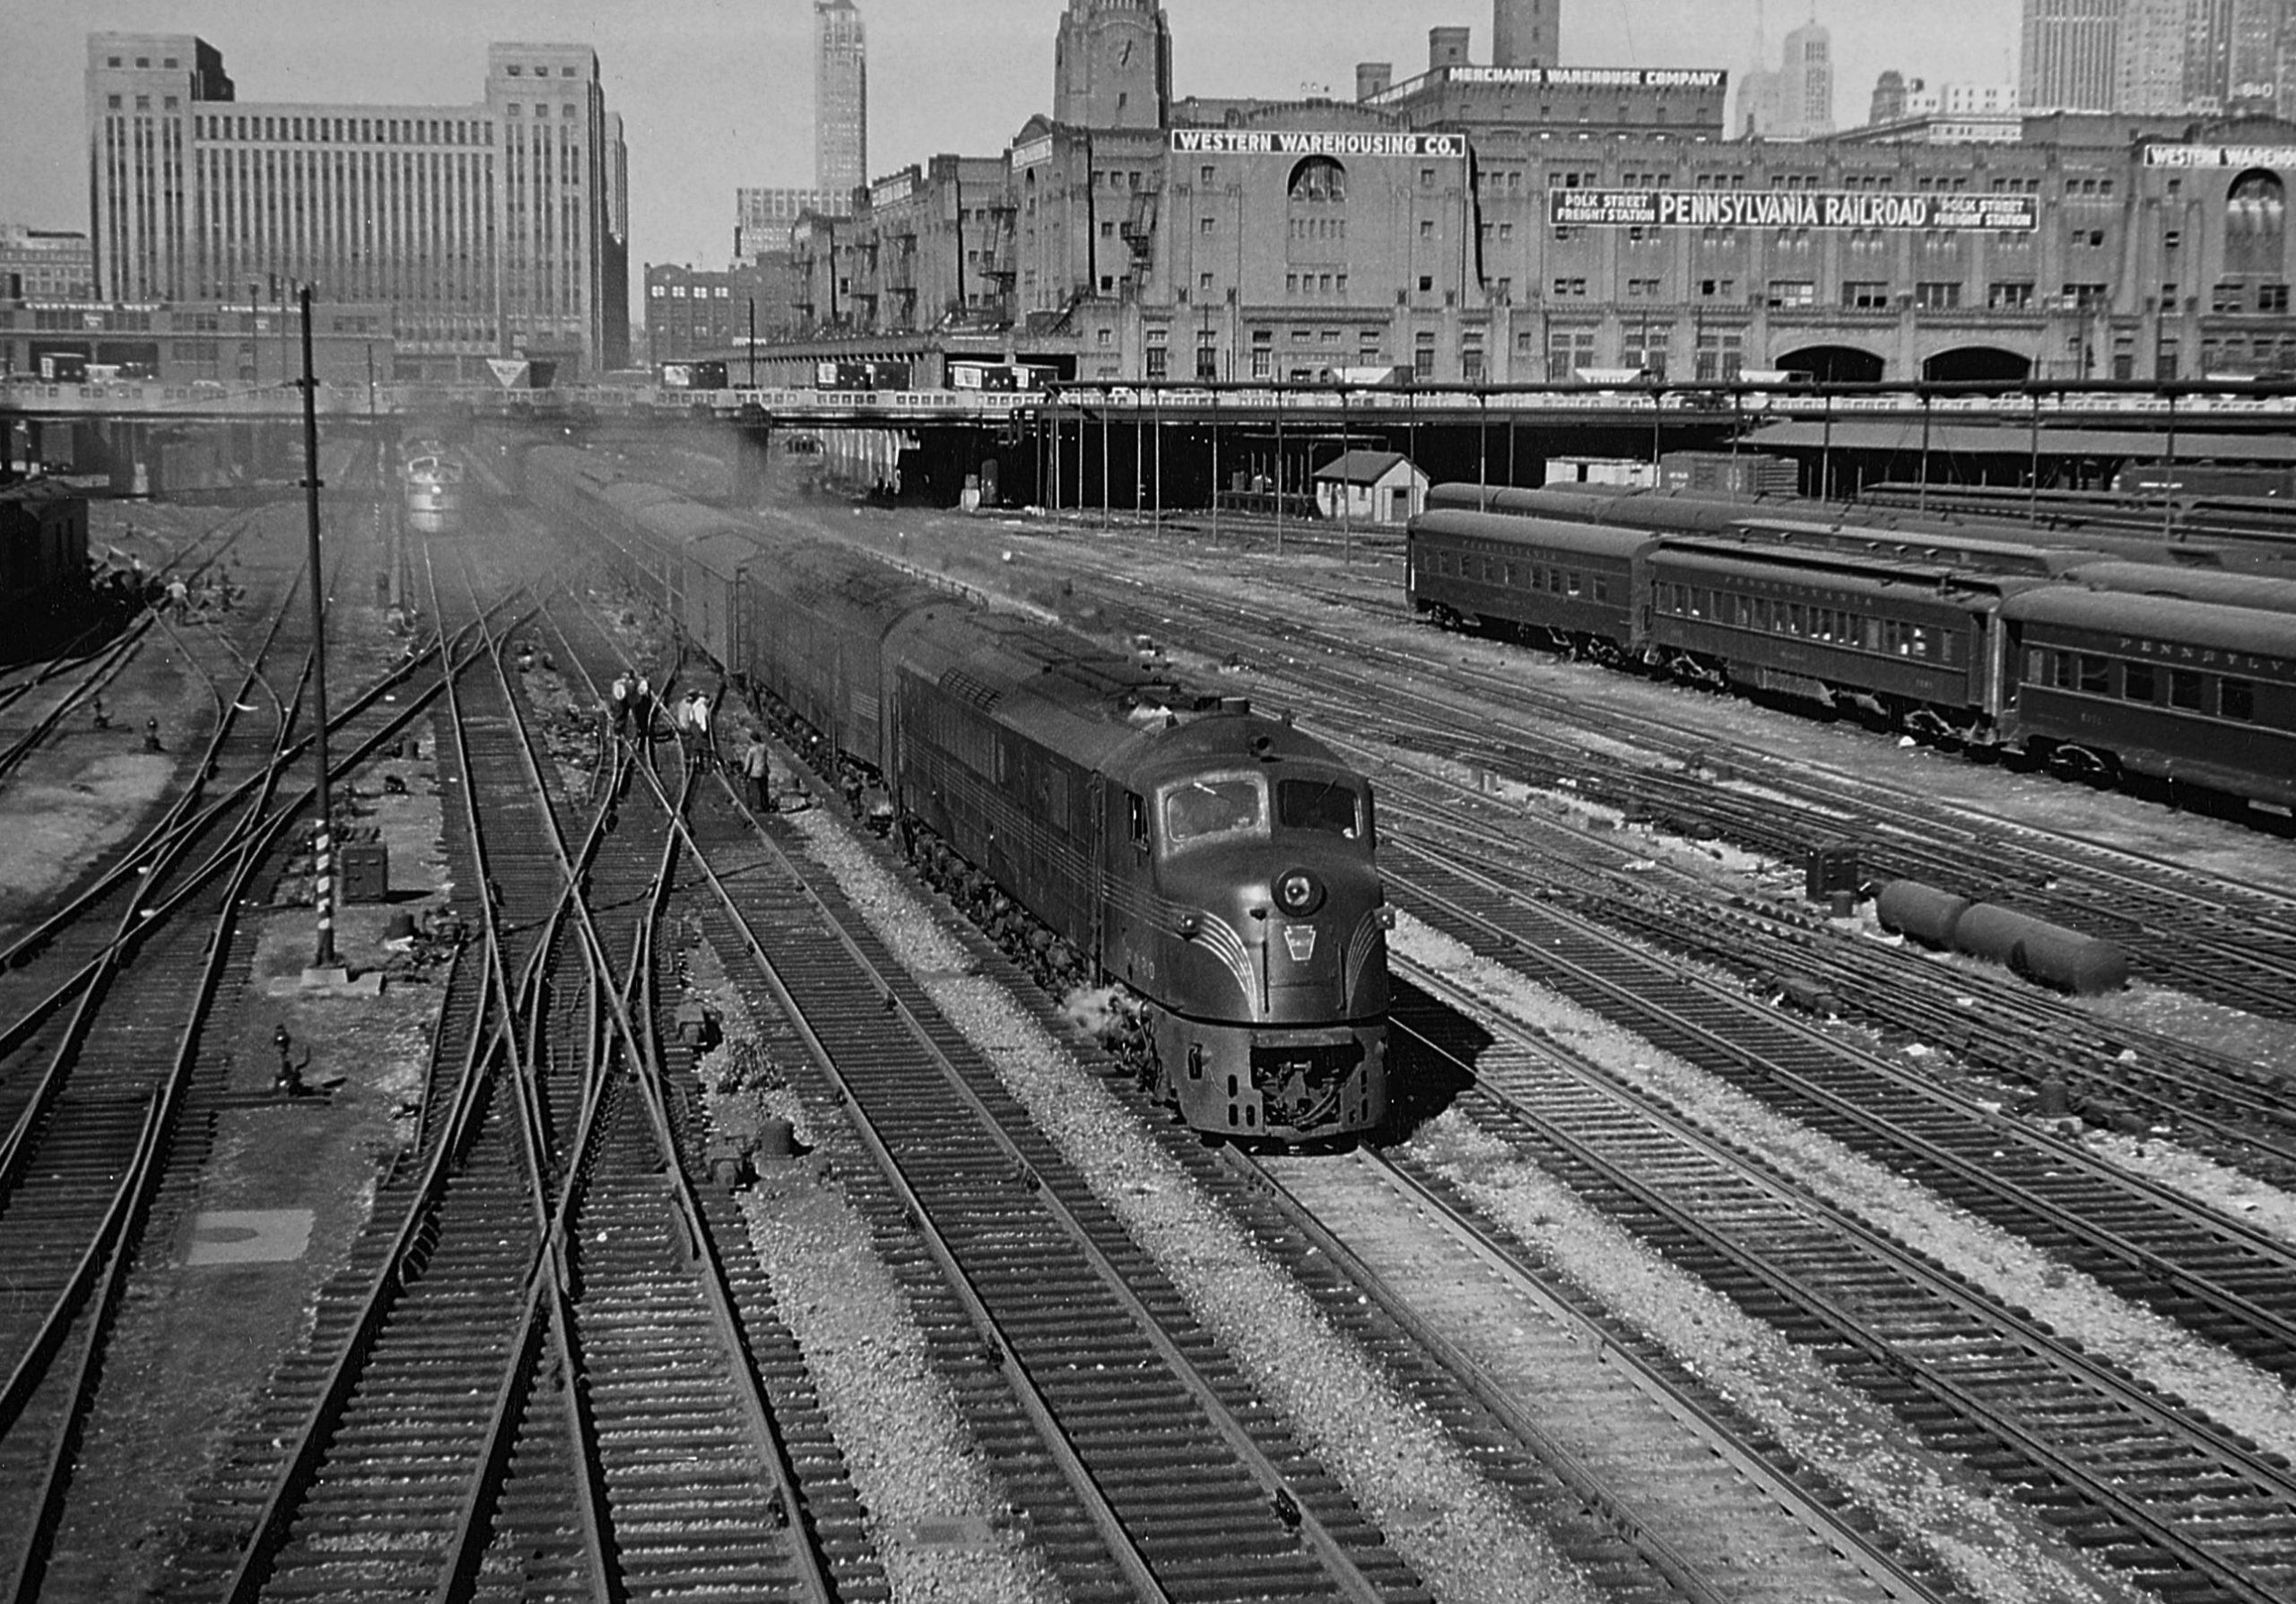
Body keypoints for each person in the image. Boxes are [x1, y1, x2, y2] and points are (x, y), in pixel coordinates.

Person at [741, 734, 775, 812]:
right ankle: (765, 806)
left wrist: (745, 773)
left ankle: (758, 807)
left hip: (755, 773)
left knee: (755, 790)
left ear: (752, 740)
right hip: (764, 772)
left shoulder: (751, 750)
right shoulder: (764, 748)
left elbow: (748, 764)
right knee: (764, 790)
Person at [690, 691, 715, 771]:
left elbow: (691, 718)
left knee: (697, 749)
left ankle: (698, 766)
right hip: (700, 730)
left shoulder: (694, 706)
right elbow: (703, 722)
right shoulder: (702, 708)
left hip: (694, 729)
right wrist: (704, 730)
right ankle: (706, 767)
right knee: (705, 749)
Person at [608, 672, 631, 738]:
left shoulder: (616, 683)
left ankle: (618, 732)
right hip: (622, 702)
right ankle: (620, 732)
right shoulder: (626, 683)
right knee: (622, 716)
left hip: (617, 701)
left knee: (618, 715)